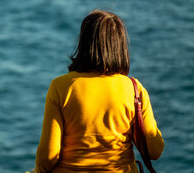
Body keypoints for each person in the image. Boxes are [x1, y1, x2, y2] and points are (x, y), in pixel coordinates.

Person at [35, 10, 164, 173]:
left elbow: (48, 156)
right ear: (120, 46)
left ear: (83, 44)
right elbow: (155, 150)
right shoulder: (134, 89)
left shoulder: (61, 87)